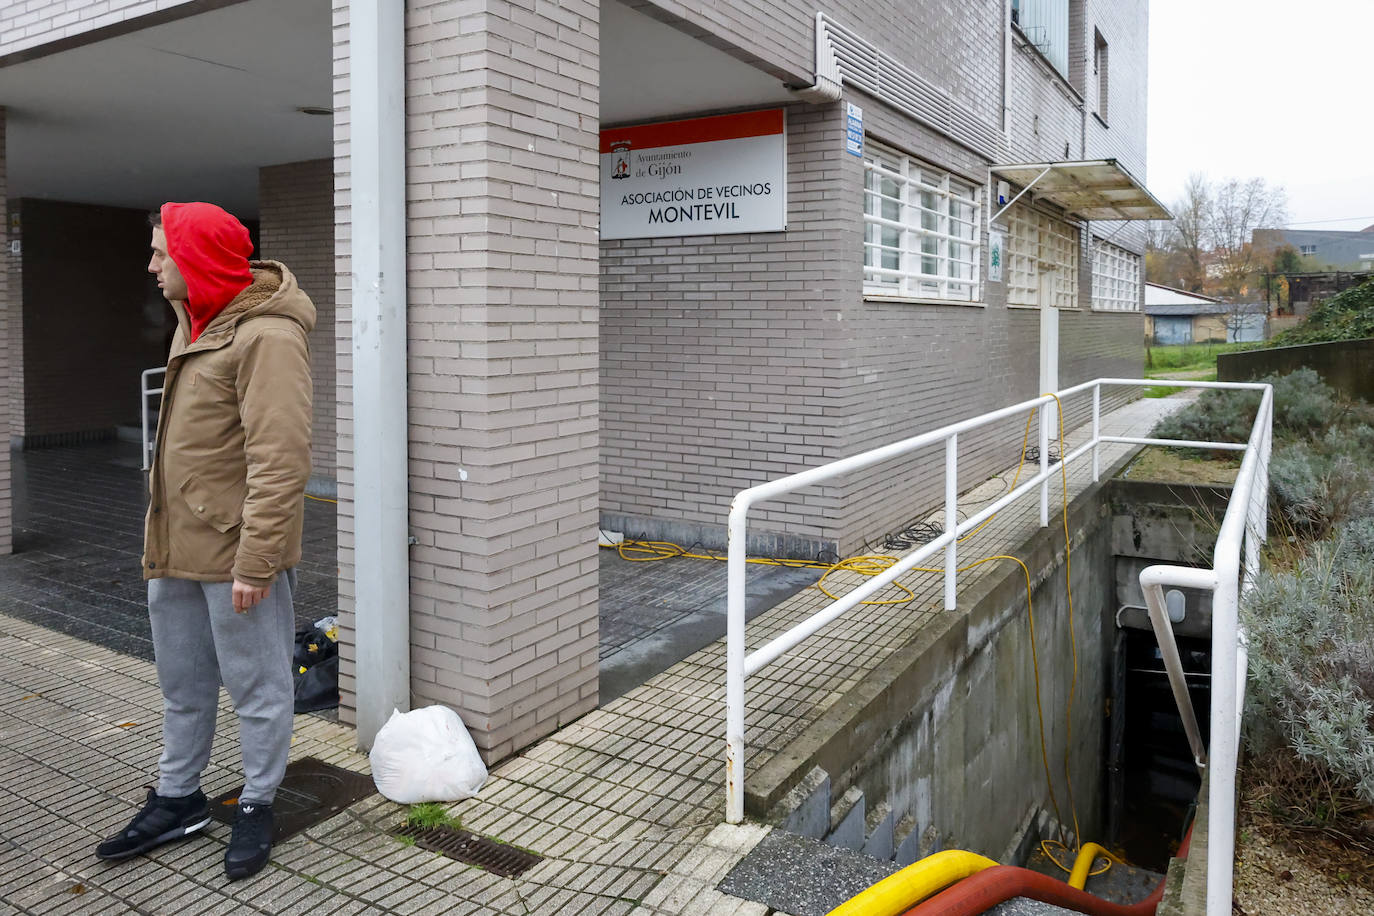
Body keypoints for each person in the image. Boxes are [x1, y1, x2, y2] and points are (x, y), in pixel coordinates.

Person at [95, 202, 315, 881]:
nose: (152, 265)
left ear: (197, 261)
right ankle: (178, 797)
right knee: (183, 686)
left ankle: (256, 802)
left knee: (259, 687)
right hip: (175, 549)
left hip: (235, 558)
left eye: (163, 253)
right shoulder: (197, 324)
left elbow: (281, 459)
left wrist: (257, 560)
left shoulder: (266, 337)